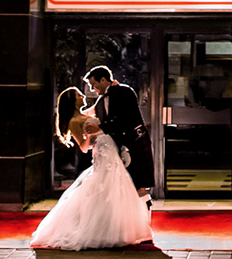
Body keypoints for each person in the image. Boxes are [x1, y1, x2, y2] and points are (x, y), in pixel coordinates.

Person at [29, 97, 152, 250]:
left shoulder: (87, 112)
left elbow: (101, 102)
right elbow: (83, 147)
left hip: (110, 148)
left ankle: (112, 227)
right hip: (101, 150)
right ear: (73, 100)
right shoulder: (75, 121)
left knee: (114, 185)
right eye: (80, 95)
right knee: (102, 185)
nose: (84, 97)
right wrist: (91, 136)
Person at [85, 65, 155, 208]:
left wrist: (100, 128)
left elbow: (125, 119)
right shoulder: (100, 101)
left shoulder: (125, 92)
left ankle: (144, 220)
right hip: (118, 144)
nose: (93, 89)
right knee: (125, 184)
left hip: (135, 141)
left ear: (103, 80)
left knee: (139, 185)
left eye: (94, 85)